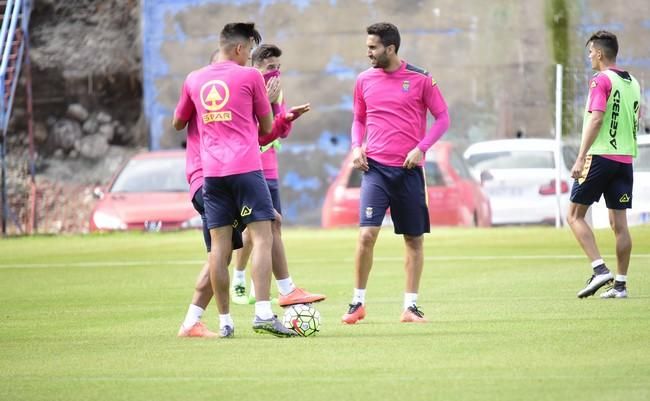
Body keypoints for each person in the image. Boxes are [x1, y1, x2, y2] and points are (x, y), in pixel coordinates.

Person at [172, 22, 309, 337]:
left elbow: (178, 122)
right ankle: (263, 311)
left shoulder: (193, 79)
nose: (250, 58)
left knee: (219, 250)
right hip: (245, 168)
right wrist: (271, 107)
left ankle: (224, 322)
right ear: (238, 48)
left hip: (211, 175)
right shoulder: (249, 77)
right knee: (262, 235)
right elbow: (265, 129)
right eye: (249, 51)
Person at [341, 22, 450, 324]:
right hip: (375, 170)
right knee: (366, 235)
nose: (369, 53)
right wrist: (355, 147)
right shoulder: (363, 80)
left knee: (413, 240)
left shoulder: (421, 79)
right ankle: (357, 303)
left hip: (409, 172)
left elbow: (442, 118)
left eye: (373, 48)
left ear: (390, 48)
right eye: (368, 48)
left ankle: (410, 307)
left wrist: (422, 148)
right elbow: (358, 119)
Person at [229, 44, 326, 308]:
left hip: (268, 167)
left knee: (271, 226)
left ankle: (261, 289)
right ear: (255, 66)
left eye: (279, 68)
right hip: (246, 166)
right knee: (252, 230)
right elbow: (254, 130)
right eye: (271, 68)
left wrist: (288, 116)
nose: (276, 73)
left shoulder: (275, 90)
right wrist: (270, 105)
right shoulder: (245, 86)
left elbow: (278, 132)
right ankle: (241, 281)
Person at [568, 30, 641, 299]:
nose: (589, 57)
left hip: (599, 156)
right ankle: (620, 285)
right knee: (618, 223)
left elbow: (597, 119)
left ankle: (600, 270)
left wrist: (580, 156)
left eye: (590, 52)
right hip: (624, 160)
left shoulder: (600, 80)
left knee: (574, 216)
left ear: (599, 53)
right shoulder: (633, 81)